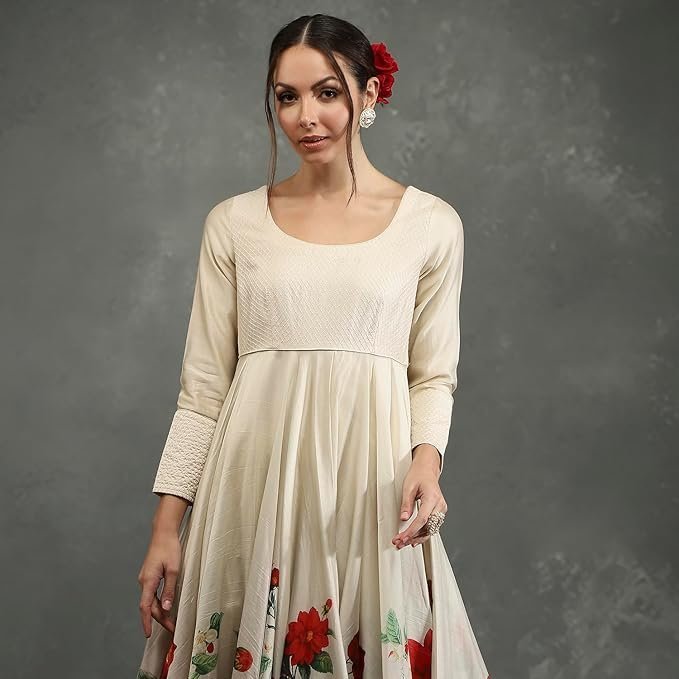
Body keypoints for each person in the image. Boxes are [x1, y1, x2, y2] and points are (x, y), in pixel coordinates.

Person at [136, 13, 490, 679]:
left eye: (327, 92)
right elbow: (203, 391)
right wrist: (165, 530)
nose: (306, 116)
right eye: (287, 96)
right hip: (249, 490)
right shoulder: (233, 224)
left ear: (369, 93)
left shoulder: (431, 225)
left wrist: (427, 461)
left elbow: (432, 373)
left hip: (368, 491)